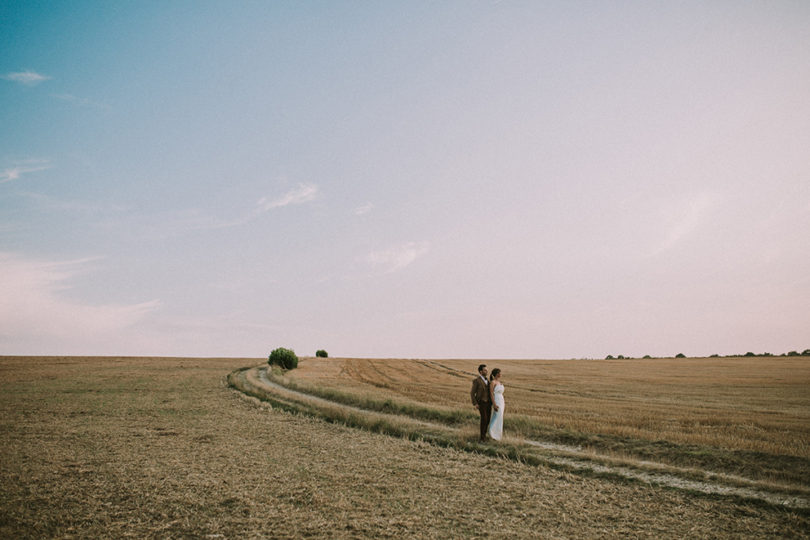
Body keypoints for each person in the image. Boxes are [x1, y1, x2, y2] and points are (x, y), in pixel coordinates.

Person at [470, 364, 491, 442]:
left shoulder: (488, 381)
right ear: (480, 371)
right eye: (485, 370)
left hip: (488, 402)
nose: (487, 371)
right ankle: (482, 437)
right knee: (484, 419)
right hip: (481, 402)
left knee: (488, 419)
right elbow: (472, 393)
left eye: (487, 370)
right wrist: (475, 403)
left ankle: (484, 435)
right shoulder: (477, 381)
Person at [487, 368, 505, 441]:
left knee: (500, 417)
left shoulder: (499, 382)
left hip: (501, 400)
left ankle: (498, 435)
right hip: (496, 399)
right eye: (499, 373)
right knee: (496, 416)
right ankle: (492, 433)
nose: (501, 374)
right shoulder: (493, 382)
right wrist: (494, 404)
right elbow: (491, 394)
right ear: (497, 374)